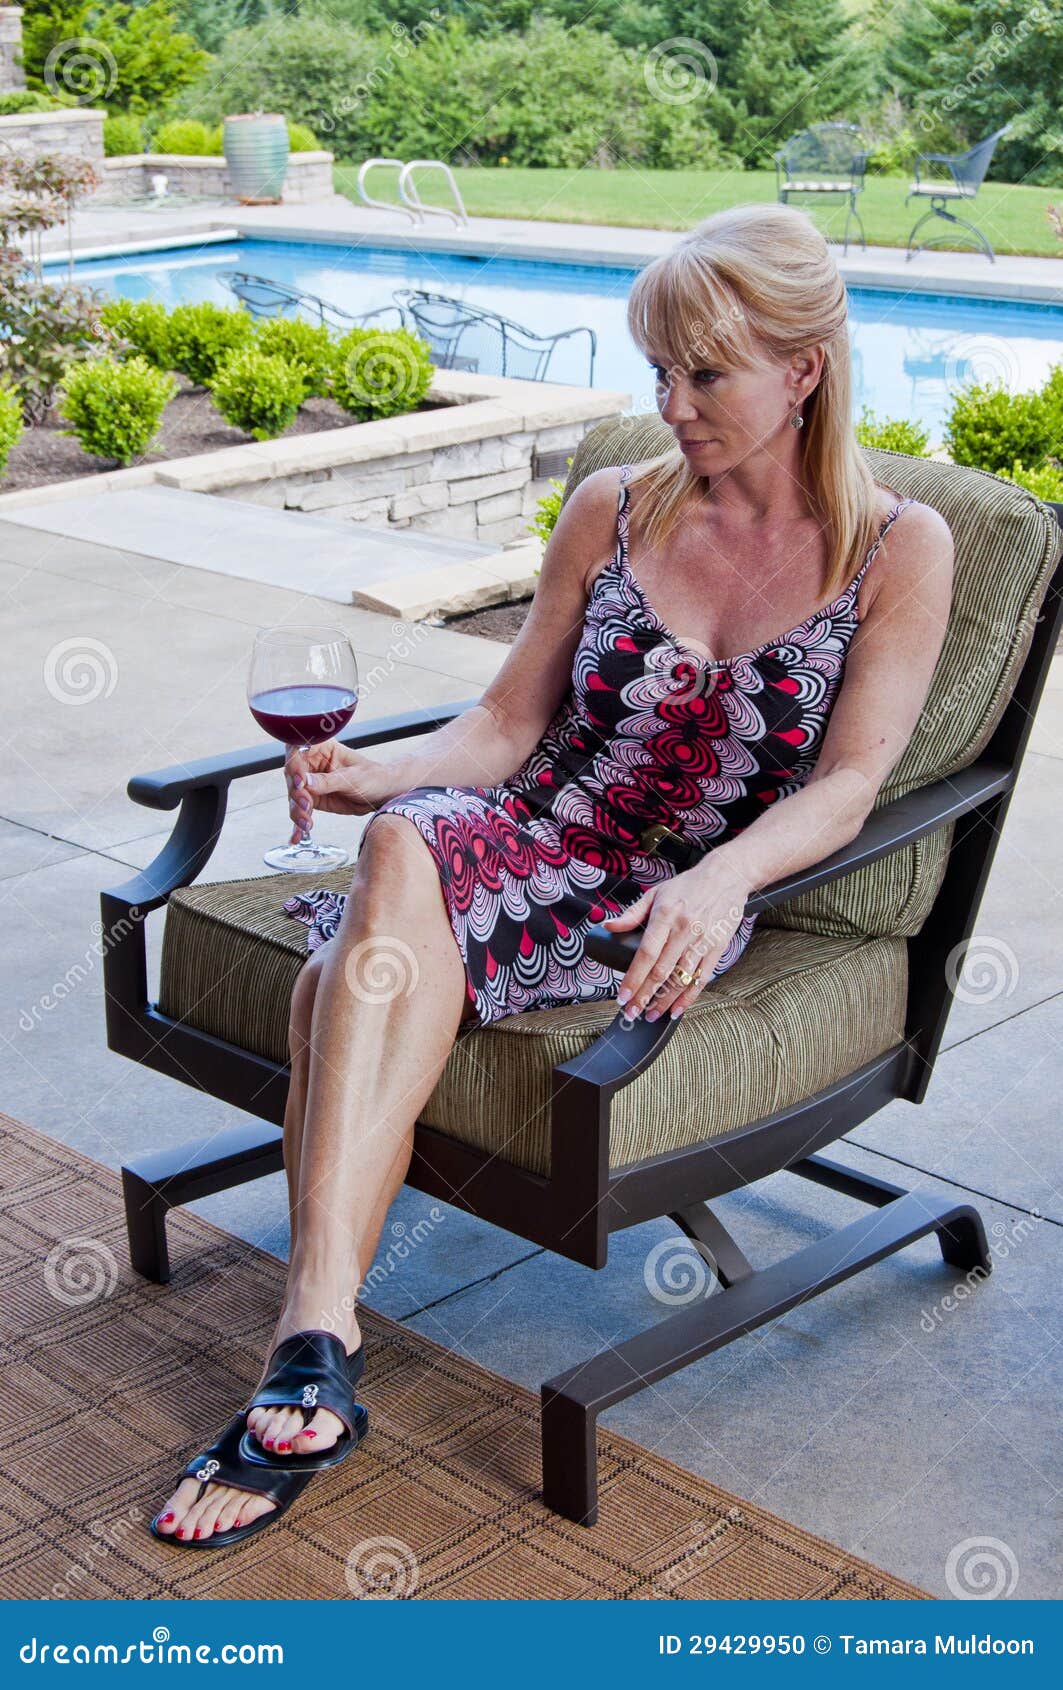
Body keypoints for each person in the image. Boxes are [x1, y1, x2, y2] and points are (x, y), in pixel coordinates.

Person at [151, 202, 953, 1546]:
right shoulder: (616, 504)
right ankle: (315, 1331)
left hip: (670, 899)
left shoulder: (897, 547)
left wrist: (721, 883)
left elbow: (849, 787)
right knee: (403, 837)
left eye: (704, 373)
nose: (669, 404)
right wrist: (378, 775)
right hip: (528, 832)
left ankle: (311, 1365)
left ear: (804, 368)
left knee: (346, 971)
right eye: (656, 370)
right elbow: (506, 725)